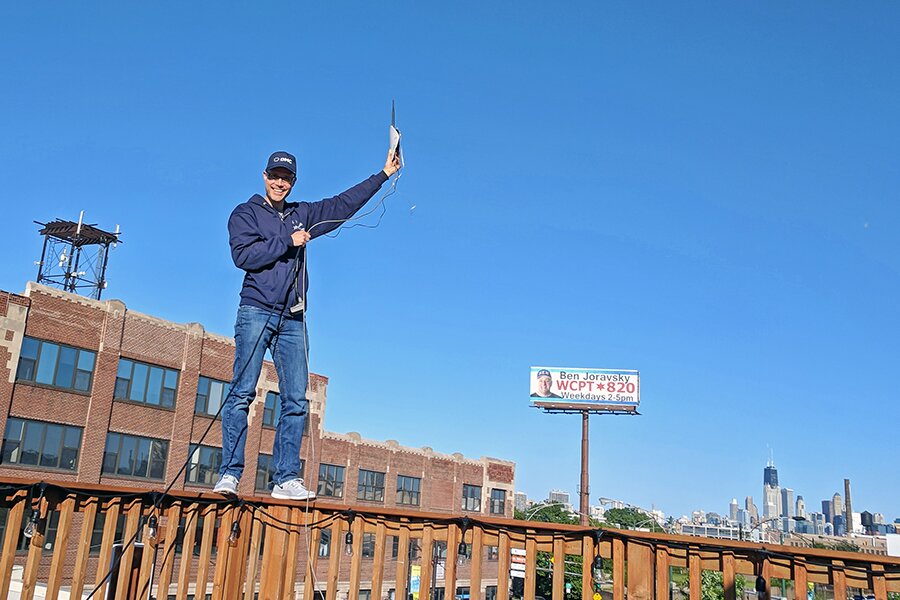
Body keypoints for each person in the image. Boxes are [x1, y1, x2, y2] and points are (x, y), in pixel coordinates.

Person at [214, 148, 402, 500]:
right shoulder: (245, 214)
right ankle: (229, 475)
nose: (279, 182)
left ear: (293, 181)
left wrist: (384, 174)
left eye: (286, 178)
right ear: (265, 176)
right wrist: (287, 241)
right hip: (255, 310)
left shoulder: (304, 214)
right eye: (274, 176)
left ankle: (285, 479)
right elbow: (243, 257)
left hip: (293, 317)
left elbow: (343, 204)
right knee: (242, 393)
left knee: (296, 400)